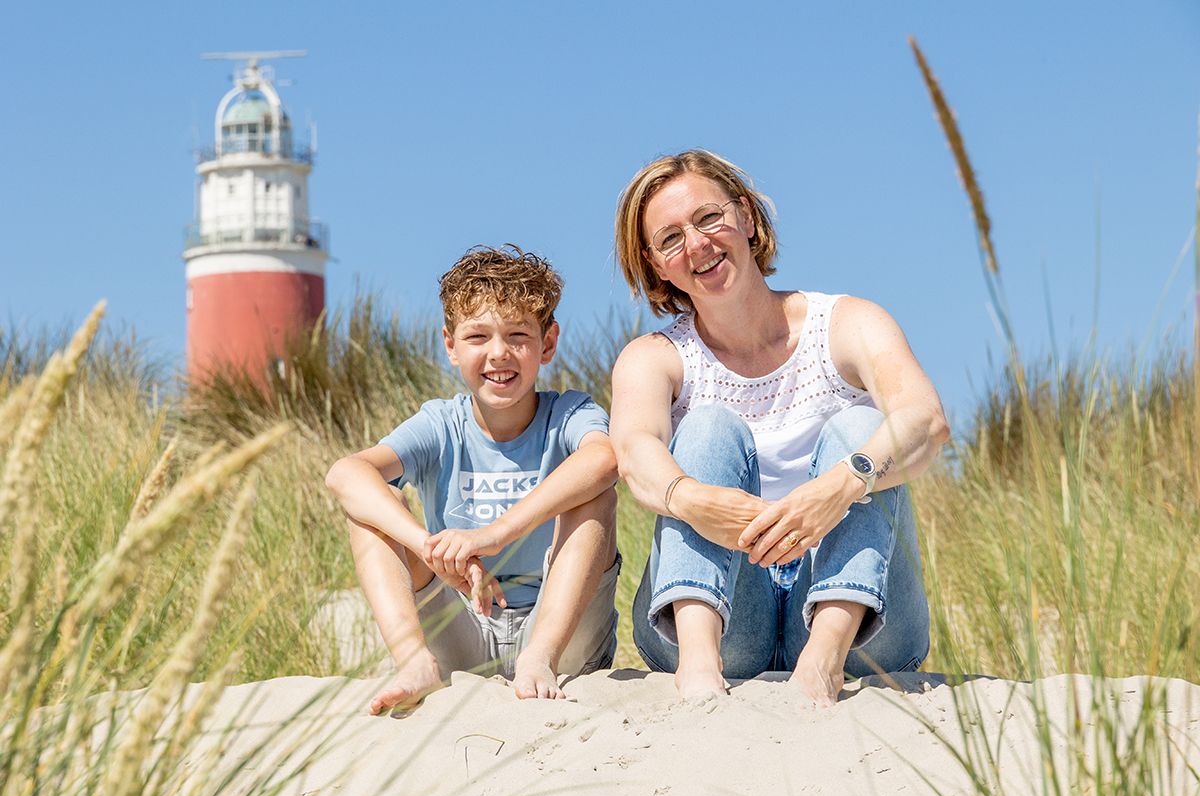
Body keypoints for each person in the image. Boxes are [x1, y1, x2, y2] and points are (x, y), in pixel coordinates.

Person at [609, 150, 950, 705]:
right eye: (670, 238)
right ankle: (698, 669)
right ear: (654, 265)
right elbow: (633, 453)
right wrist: (695, 500)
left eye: (708, 218)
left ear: (745, 216)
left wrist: (839, 487)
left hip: (867, 628)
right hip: (724, 618)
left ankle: (822, 662)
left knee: (862, 427)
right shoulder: (656, 357)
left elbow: (925, 421)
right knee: (707, 428)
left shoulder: (844, 322)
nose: (697, 245)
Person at [325, 245, 620, 714]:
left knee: (594, 497)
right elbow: (345, 473)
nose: (499, 353)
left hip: (560, 631)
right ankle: (414, 661)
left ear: (547, 343)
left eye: (518, 335)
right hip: (464, 622)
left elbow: (604, 459)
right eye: (478, 336)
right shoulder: (441, 424)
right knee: (372, 509)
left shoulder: (571, 414)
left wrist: (493, 535)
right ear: (451, 345)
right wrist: (433, 550)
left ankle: (537, 658)